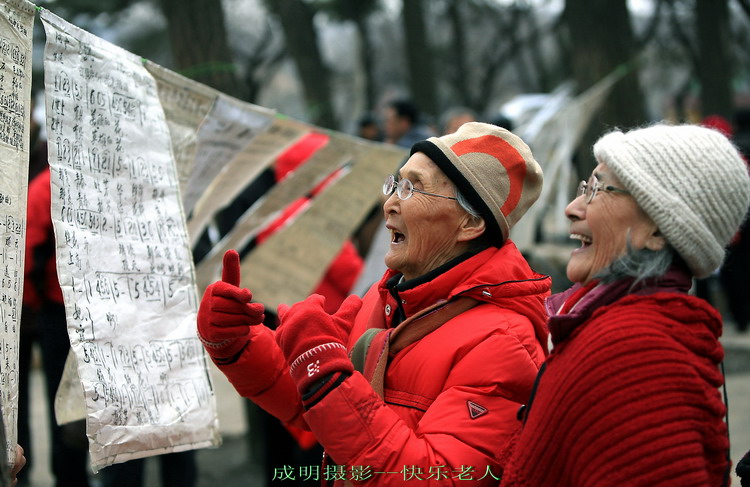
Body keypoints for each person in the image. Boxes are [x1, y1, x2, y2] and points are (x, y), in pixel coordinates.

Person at [198, 122, 549, 485]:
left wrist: (328, 375)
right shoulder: (388, 297)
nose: (390, 203)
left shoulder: (503, 341)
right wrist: (238, 343)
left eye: (414, 188)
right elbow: (315, 411)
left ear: (470, 223)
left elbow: (435, 478)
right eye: (395, 184)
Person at [501, 123, 750, 486]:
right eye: (585, 187)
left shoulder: (637, 353)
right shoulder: (607, 325)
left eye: (599, 189)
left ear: (659, 231)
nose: (572, 209)